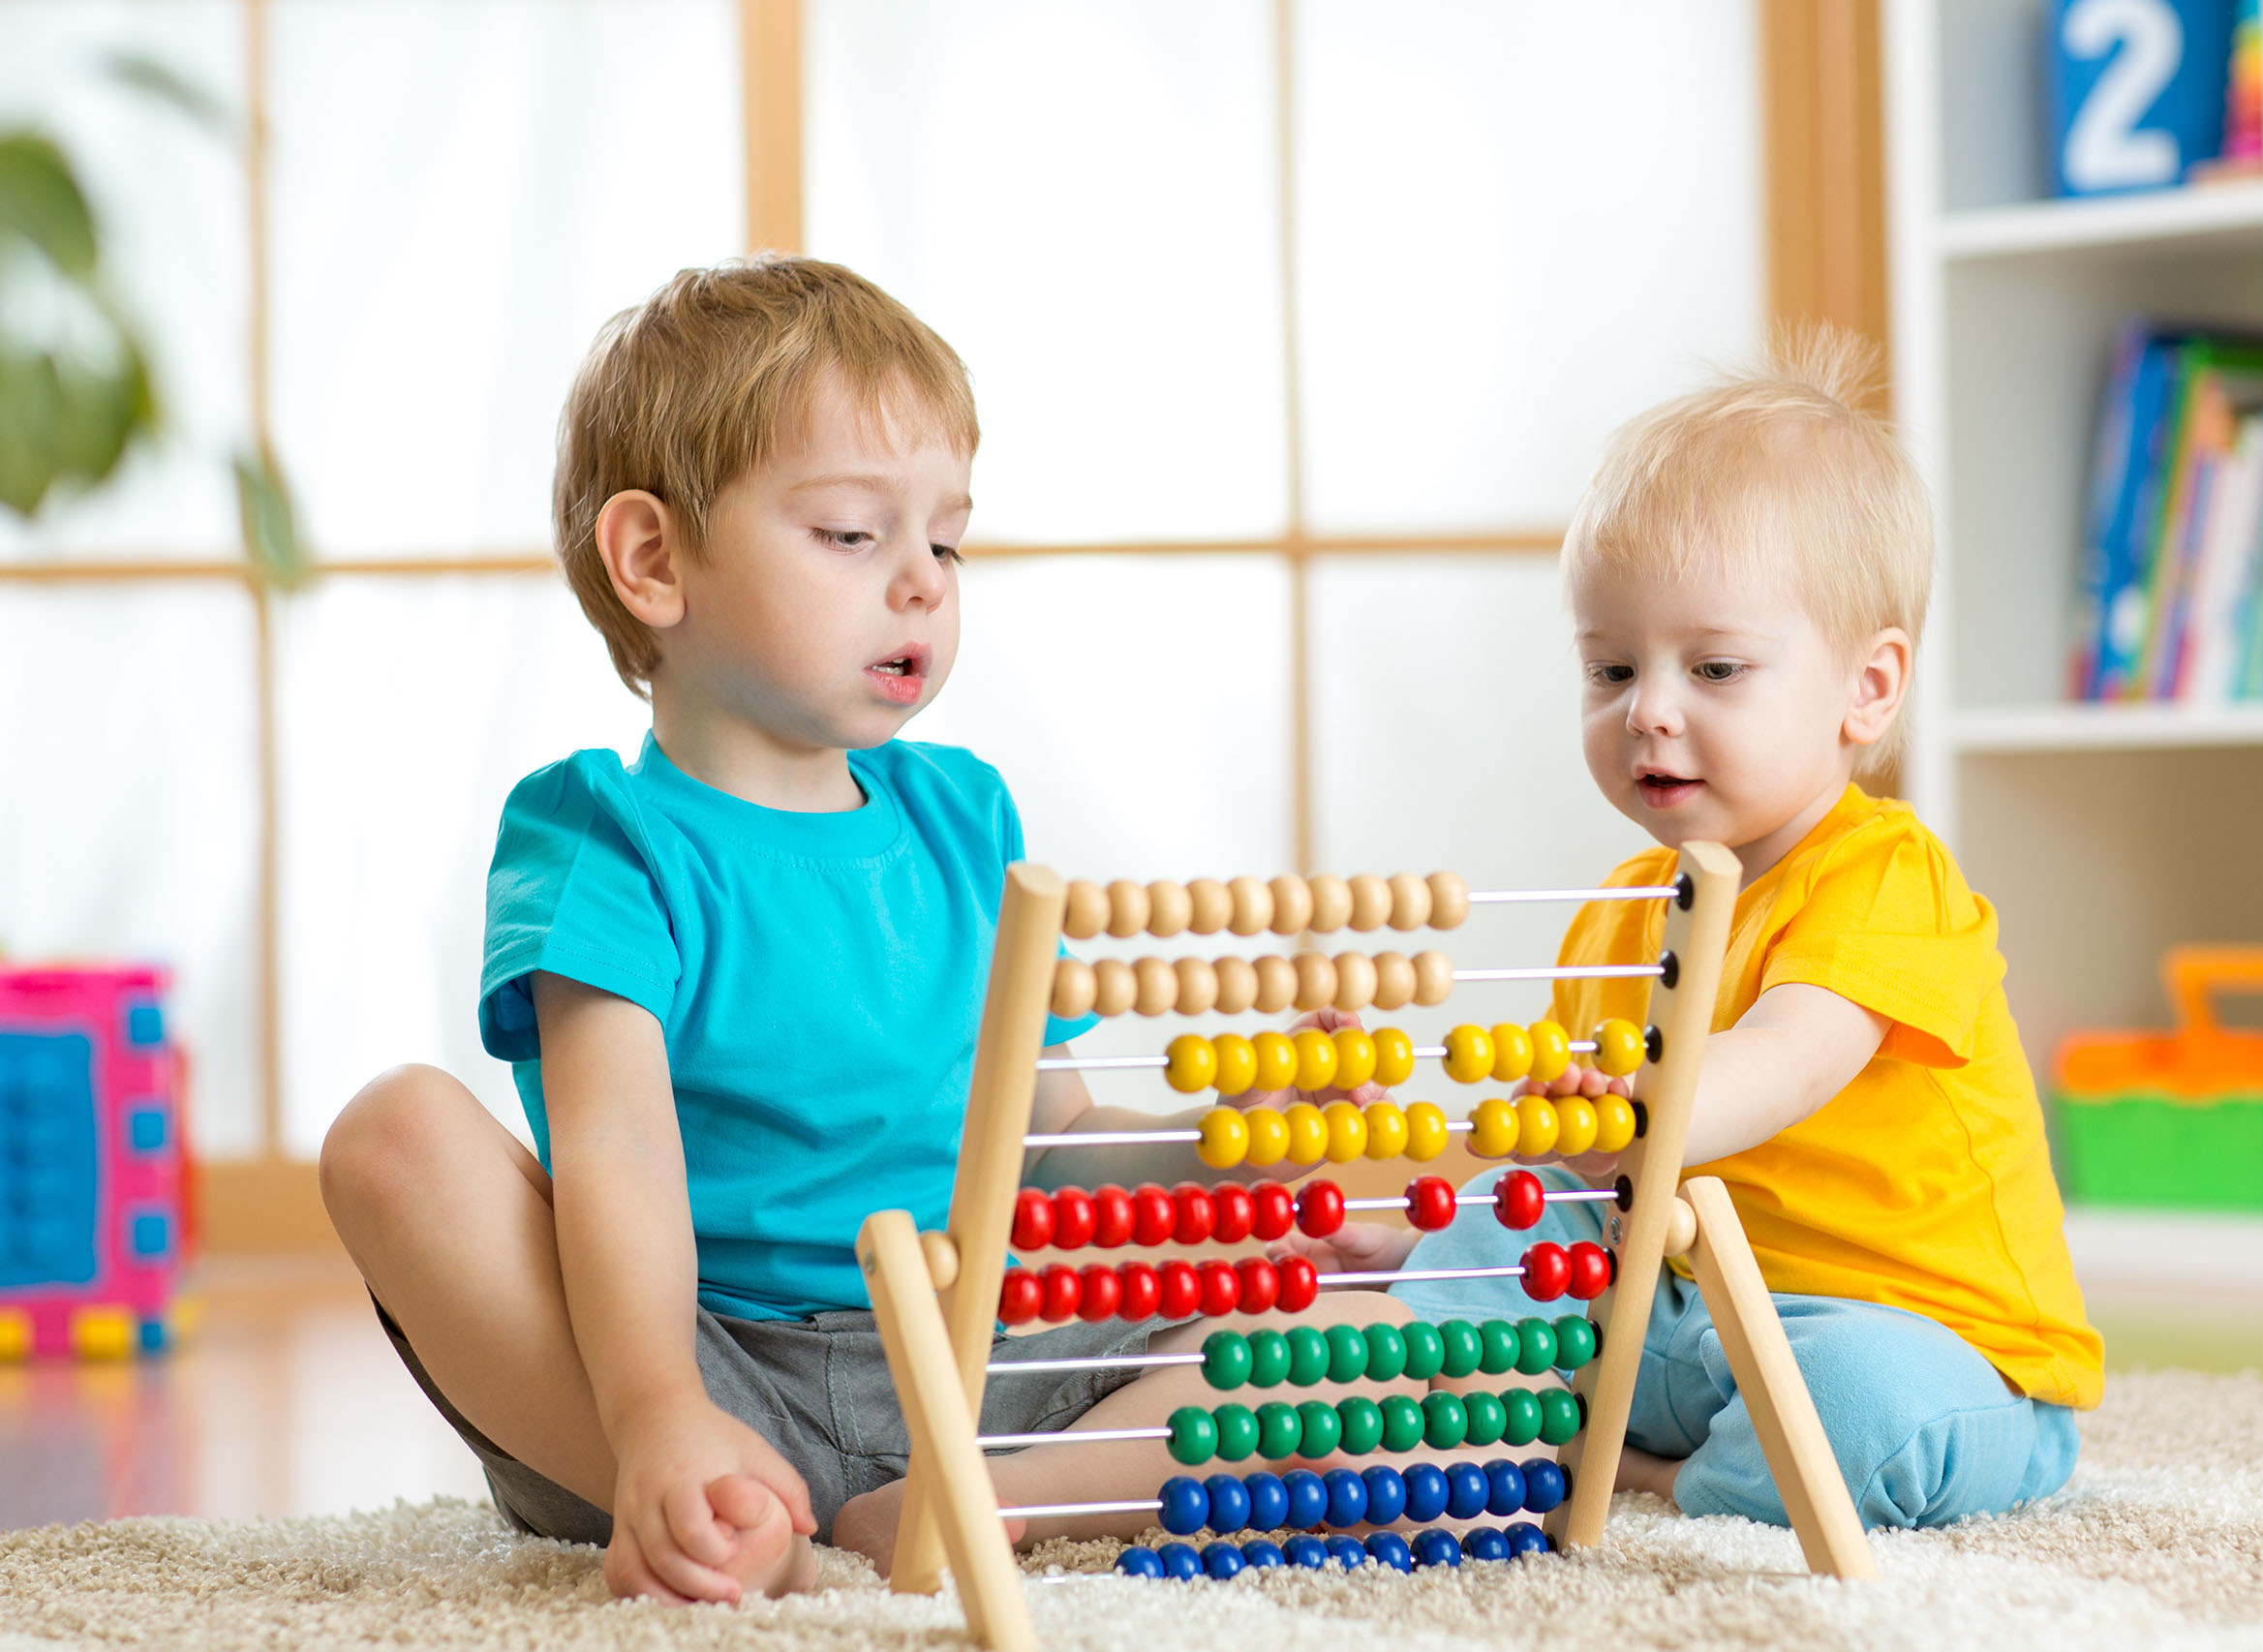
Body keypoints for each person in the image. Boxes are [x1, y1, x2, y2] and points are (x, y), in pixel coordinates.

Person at [317, 257, 1413, 1605]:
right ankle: (704, 1492)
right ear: (654, 559)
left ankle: (973, 1501)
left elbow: (1049, 1141)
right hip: (696, 1356)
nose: (922, 584)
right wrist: (660, 1405)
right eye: (853, 533)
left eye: (945, 540)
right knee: (394, 1135)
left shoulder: (968, 818)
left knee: (1367, 1340)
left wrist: (1245, 1135)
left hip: (983, 1349)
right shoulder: (604, 836)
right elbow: (614, 1155)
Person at [1275, 329, 2103, 1532]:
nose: (1648, 711)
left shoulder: (1887, 877)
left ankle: (1656, 1477)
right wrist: (1413, 1203)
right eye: (1609, 669)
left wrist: (1633, 1096)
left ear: (1867, 690)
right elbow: (1558, 1149)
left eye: (1714, 668)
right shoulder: (1622, 909)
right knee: (1492, 1245)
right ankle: (1619, 1429)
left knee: (1861, 1406)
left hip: (1905, 1330)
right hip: (1677, 1304)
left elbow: (1779, 1057)